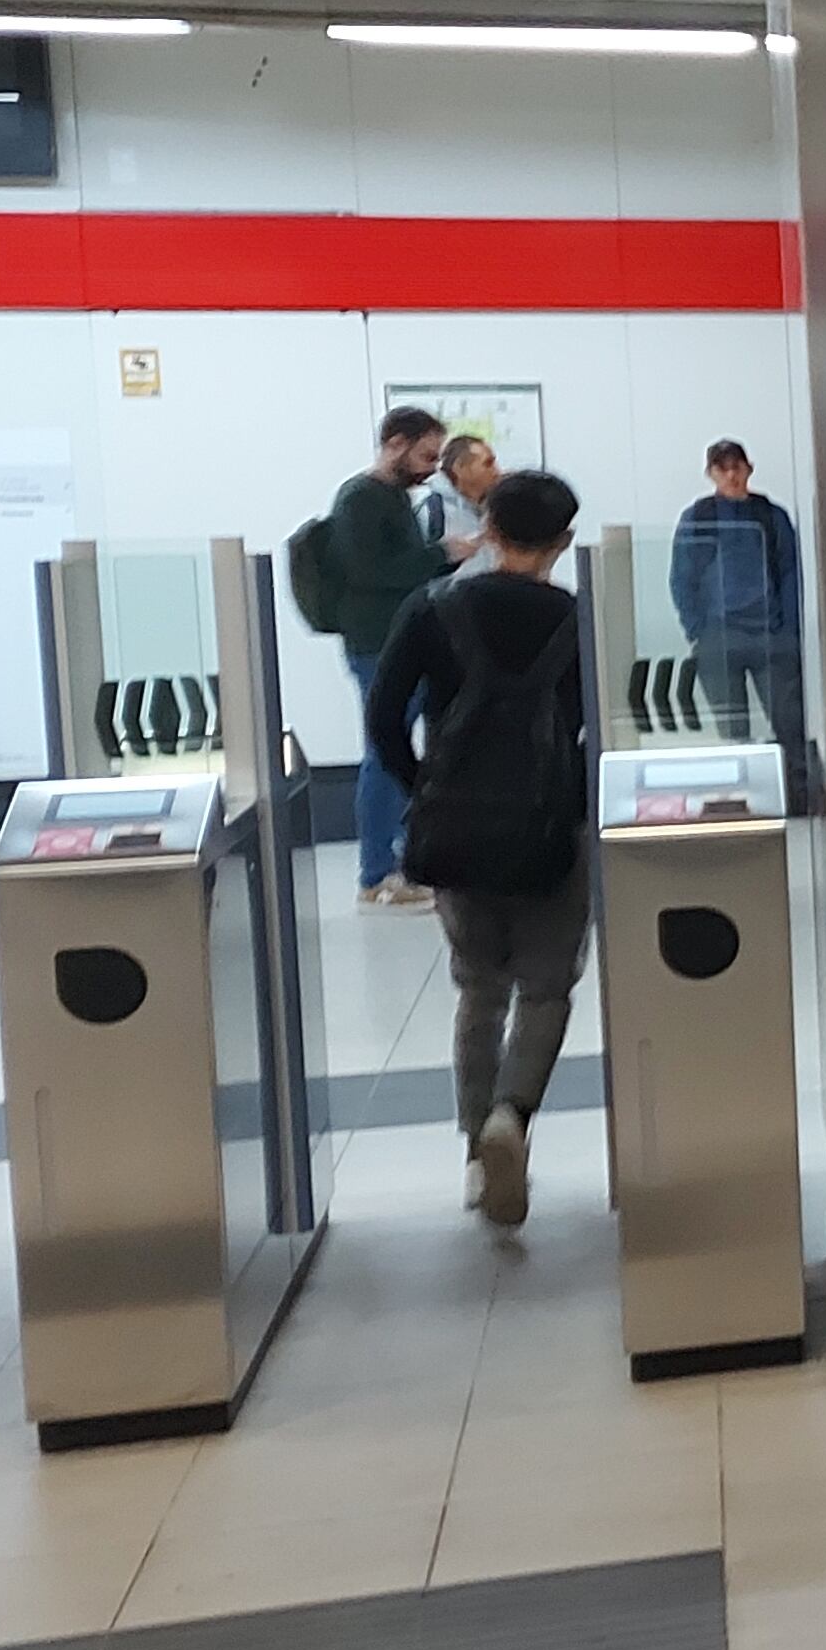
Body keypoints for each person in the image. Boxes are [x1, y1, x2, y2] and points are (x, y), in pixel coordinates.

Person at [363, 468, 592, 1227]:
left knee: (479, 989)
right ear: (562, 542)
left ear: (488, 530)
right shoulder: (580, 619)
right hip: (548, 826)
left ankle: (474, 1152)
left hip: (456, 829)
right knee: (547, 987)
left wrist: (425, 784)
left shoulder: (432, 610)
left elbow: (384, 714)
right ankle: (511, 1121)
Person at [312, 408, 462, 905]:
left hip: (398, 637)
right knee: (384, 748)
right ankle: (376, 871)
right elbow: (373, 571)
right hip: (376, 643)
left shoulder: (393, 499)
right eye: (426, 455)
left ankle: (396, 858)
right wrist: (442, 554)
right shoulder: (360, 500)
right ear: (395, 444)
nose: (432, 466)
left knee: (394, 745)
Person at [671, 440, 809, 801]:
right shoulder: (697, 517)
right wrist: (698, 631)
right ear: (711, 474)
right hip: (719, 637)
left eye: (736, 466)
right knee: (733, 731)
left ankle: (795, 800)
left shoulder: (771, 516)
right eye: (722, 468)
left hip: (771, 635)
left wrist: (790, 631)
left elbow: (791, 573)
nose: (731, 475)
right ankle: (743, 802)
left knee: (789, 726)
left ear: (749, 468)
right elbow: (682, 578)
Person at [423, 435, 501, 578]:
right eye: (488, 463)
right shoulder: (429, 508)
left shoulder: (491, 506)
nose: (497, 472)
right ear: (460, 467)